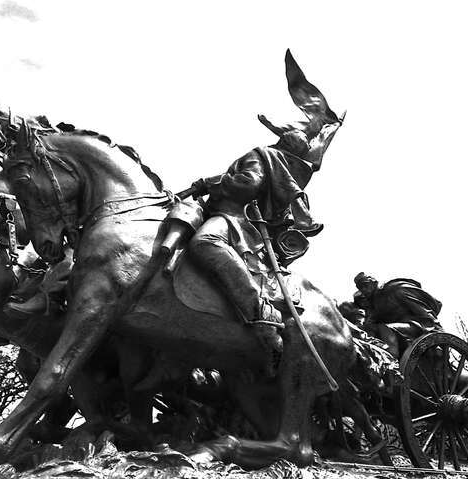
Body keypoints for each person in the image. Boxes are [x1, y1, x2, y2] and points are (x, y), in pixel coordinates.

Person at [187, 50, 342, 374]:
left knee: (204, 244)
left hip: (235, 220)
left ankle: (261, 311)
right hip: (238, 218)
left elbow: (246, 184)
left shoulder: (262, 155)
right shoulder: (283, 162)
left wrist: (209, 183)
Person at [353, 272, 443, 358]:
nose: (364, 290)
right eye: (361, 288)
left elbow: (423, 310)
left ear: (374, 282)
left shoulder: (395, 289)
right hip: (397, 335)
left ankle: (392, 364)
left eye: (366, 285)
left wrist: (437, 333)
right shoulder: (373, 305)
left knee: (386, 329)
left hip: (418, 326)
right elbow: (369, 326)